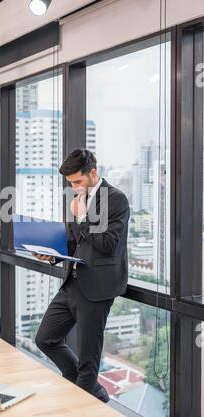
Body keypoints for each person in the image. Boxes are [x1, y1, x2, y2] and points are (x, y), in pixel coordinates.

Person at [34, 148, 130, 403]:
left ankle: (83, 408)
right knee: (45, 338)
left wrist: (83, 217)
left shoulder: (116, 199)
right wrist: (52, 255)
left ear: (93, 173)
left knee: (89, 360)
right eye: (70, 183)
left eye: (77, 181)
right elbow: (73, 243)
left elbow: (109, 244)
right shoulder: (78, 199)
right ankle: (92, 391)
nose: (74, 187)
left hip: (98, 287)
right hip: (72, 282)